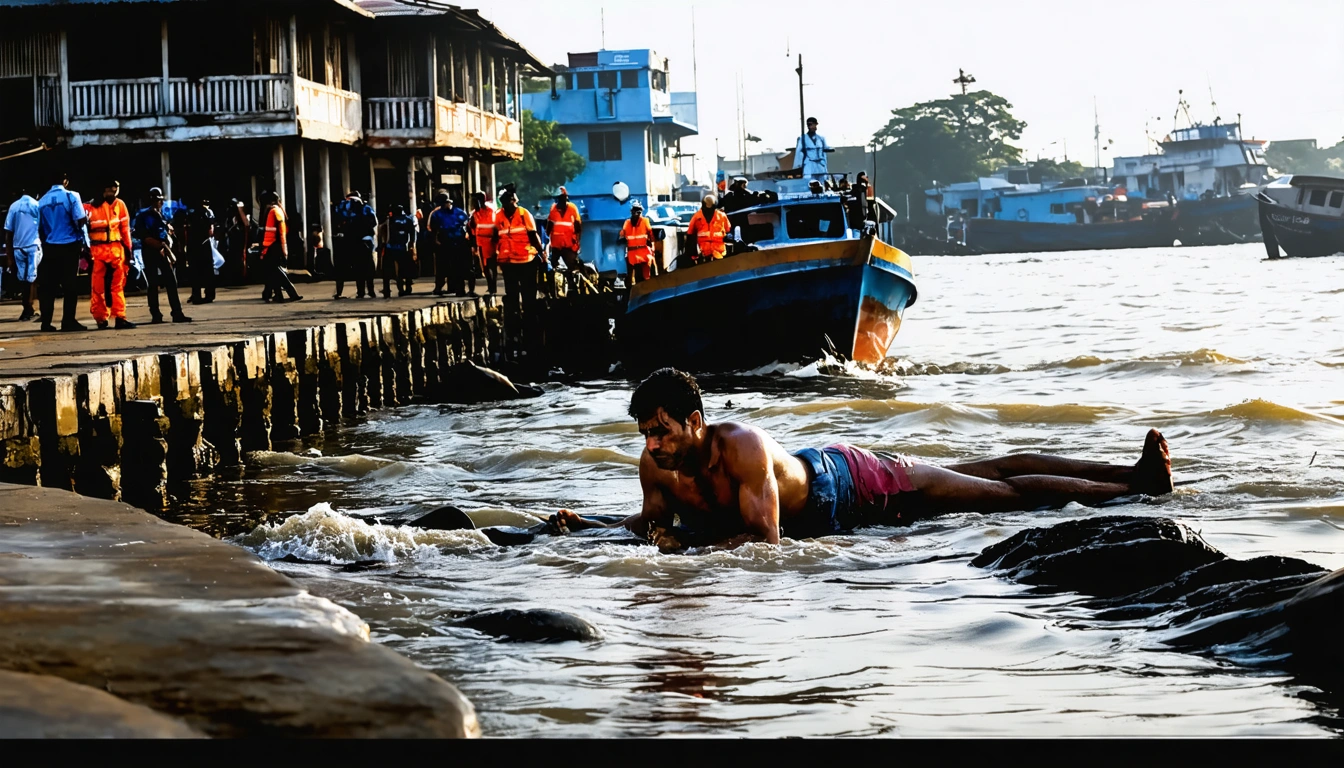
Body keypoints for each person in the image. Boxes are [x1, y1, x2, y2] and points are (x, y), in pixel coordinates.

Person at [549, 368, 1175, 552]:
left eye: (661, 432)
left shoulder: (738, 447)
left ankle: (1132, 488)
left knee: (1001, 493)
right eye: (645, 434)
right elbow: (647, 520)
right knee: (980, 472)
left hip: (847, 483)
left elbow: (765, 539)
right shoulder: (653, 464)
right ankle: (1129, 474)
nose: (653, 445)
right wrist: (590, 530)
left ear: (695, 422)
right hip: (836, 486)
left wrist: (690, 551)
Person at [37, 171, 90, 332]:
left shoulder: (42, 201)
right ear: (65, 181)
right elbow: (80, 219)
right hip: (69, 246)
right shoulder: (72, 196)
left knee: (48, 287)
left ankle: (46, 322)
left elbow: (40, 228)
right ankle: (68, 321)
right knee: (70, 286)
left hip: (50, 247)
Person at [491, 187, 543, 350]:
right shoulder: (498, 216)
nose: (511, 204)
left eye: (513, 201)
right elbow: (495, 235)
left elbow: (533, 235)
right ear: (504, 203)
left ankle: (529, 323)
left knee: (529, 295)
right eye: (508, 202)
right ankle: (514, 324)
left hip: (526, 259)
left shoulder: (523, 214)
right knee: (512, 294)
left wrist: (541, 253)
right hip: (508, 261)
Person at [132, 187, 192, 323]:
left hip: (162, 251)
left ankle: (176, 313)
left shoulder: (160, 215)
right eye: (158, 200)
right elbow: (144, 237)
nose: (160, 202)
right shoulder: (144, 216)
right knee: (153, 284)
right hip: (151, 251)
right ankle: (156, 314)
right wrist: (161, 245)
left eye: (160, 200)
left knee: (170, 282)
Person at [86, 179, 135, 329]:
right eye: (109, 190)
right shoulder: (88, 206)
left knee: (117, 286)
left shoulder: (119, 205)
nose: (112, 193)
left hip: (114, 251)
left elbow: (125, 230)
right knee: (98, 287)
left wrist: (128, 251)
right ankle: (101, 318)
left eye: (114, 191)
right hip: (99, 251)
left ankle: (119, 316)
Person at [4, 187, 42, 323]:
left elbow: (8, 232)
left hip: (18, 247)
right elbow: (43, 227)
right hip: (33, 246)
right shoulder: (36, 205)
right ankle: (28, 309)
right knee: (32, 279)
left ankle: (27, 308)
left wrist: (9, 256)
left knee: (23, 279)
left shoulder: (14, 206)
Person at [257, 190, 301, 303]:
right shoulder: (276, 211)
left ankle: (292, 292)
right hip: (272, 245)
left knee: (277, 271)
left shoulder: (273, 212)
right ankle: (278, 294)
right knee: (273, 272)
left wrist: (283, 248)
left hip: (272, 246)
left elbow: (280, 233)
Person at [332, 191, 377, 299]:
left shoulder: (344, 206)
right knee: (368, 267)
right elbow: (374, 222)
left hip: (349, 240)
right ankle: (370, 291)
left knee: (355, 268)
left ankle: (359, 292)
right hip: (364, 240)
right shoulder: (365, 207)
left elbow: (337, 217)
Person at [427, 193, 472, 297]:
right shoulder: (437, 214)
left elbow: (467, 226)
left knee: (458, 268)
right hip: (444, 244)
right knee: (442, 267)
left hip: (459, 243)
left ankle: (459, 289)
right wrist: (436, 241)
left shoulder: (460, 213)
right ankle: (439, 287)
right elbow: (433, 230)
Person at [380, 203, 418, 297]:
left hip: (390, 247)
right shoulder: (408, 220)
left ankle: (387, 290)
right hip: (403, 247)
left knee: (387, 271)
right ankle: (407, 289)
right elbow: (413, 234)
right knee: (405, 270)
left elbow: (383, 232)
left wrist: (383, 244)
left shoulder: (390, 220)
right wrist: (412, 245)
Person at [185, 197, 217, 305]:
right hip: (204, 243)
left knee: (195, 271)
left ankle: (196, 295)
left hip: (193, 243)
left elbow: (186, 230)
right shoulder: (208, 212)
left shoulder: (189, 212)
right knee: (208, 269)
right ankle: (209, 294)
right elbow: (211, 231)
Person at [545, 186, 583, 273]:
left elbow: (578, 228)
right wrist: (547, 243)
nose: (561, 200)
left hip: (569, 245)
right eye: (559, 198)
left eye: (562, 198)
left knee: (573, 269)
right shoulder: (553, 209)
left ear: (566, 197)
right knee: (552, 268)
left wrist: (577, 243)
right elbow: (549, 227)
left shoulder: (572, 208)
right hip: (556, 246)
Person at [684, 194, 730, 265]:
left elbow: (728, 231)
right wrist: (692, 254)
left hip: (719, 254)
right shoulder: (696, 217)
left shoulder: (722, 216)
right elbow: (690, 235)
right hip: (703, 255)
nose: (708, 212)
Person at [618, 201, 654, 284]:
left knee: (636, 277)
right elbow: (651, 235)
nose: (636, 214)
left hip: (636, 255)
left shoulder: (628, 222)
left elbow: (621, 236)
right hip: (641, 255)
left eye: (637, 212)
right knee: (643, 278)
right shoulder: (644, 221)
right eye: (635, 212)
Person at [470, 192, 498, 294]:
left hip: (491, 242)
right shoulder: (474, 214)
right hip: (480, 243)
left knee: (491, 265)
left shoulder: (490, 211)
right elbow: (472, 229)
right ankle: (490, 285)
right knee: (485, 267)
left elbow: (495, 226)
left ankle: (492, 286)